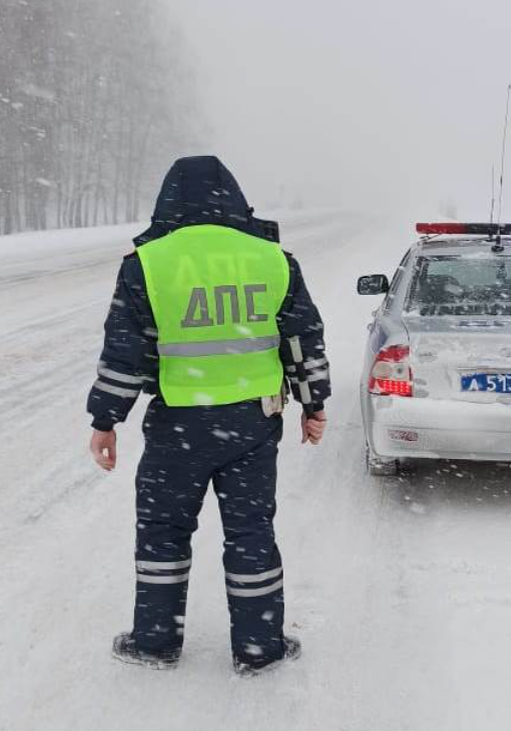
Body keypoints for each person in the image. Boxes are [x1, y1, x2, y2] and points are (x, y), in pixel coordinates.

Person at [87, 156, 330, 675]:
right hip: (253, 424)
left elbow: (125, 353)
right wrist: (314, 403)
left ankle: (155, 643)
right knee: (250, 533)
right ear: (236, 200)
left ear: (168, 202)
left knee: (162, 532)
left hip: (178, 426)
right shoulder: (272, 259)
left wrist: (105, 421)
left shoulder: (148, 263)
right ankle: (259, 647)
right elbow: (302, 340)